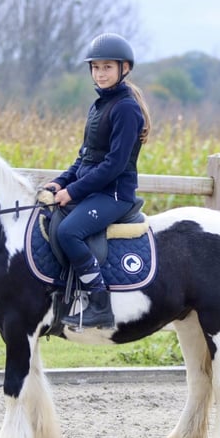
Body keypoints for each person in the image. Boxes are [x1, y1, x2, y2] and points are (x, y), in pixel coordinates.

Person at [45, 32, 152, 329]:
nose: (100, 73)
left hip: (113, 195)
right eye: (96, 67)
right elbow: (85, 157)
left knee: (69, 232)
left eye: (107, 67)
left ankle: (99, 303)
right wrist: (60, 181)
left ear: (124, 68)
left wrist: (74, 191)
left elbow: (114, 164)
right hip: (94, 190)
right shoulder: (99, 105)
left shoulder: (126, 108)